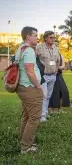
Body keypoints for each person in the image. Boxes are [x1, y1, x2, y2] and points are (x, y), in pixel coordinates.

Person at [15, 26, 43, 154]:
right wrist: (38, 86)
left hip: (22, 87)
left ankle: (25, 140)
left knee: (26, 116)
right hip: (30, 88)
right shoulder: (29, 51)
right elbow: (30, 72)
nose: (38, 38)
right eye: (35, 35)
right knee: (34, 118)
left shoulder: (21, 48)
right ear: (28, 36)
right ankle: (26, 146)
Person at [36, 31, 60, 122]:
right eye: (51, 37)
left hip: (53, 75)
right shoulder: (39, 47)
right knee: (44, 95)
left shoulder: (55, 47)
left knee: (49, 95)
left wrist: (56, 69)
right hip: (43, 75)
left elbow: (57, 60)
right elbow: (34, 59)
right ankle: (42, 116)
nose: (53, 39)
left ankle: (45, 112)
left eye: (54, 37)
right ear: (45, 38)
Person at [49, 40, 70, 112]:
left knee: (64, 91)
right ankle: (51, 109)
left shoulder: (60, 54)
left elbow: (63, 65)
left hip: (59, 75)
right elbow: (50, 65)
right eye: (54, 45)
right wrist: (57, 67)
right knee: (53, 92)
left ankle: (60, 108)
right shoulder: (50, 54)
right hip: (52, 75)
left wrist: (57, 67)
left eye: (57, 45)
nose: (56, 46)